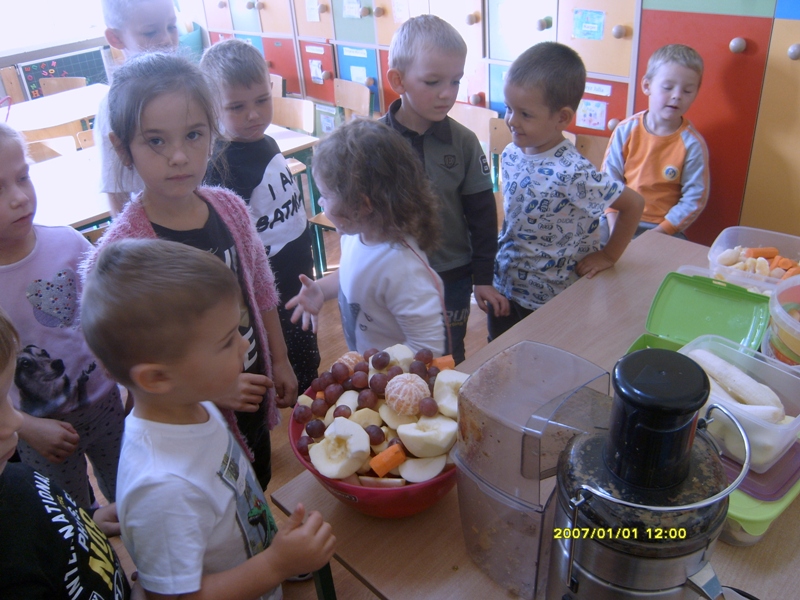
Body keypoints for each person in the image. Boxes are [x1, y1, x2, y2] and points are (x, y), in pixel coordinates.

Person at [81, 52, 298, 490]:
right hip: (190, 422)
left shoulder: (229, 208)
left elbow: (261, 290)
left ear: (212, 134)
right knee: (215, 497)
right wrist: (211, 391)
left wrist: (281, 358)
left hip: (251, 385)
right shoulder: (123, 252)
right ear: (123, 148)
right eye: (155, 141)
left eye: (194, 134)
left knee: (254, 485)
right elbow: (120, 360)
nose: (179, 156)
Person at [81, 239, 336, 600]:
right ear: (157, 378)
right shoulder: (162, 487)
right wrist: (275, 565)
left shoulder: (189, 402)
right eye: (226, 341)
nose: (245, 344)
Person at [0, 123, 124, 508]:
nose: (20, 197)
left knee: (129, 494)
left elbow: (108, 317)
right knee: (73, 514)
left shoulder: (67, 242)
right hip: (38, 429)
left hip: (105, 404)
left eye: (23, 177)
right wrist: (28, 427)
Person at [491, 42, 644, 339]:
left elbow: (634, 204)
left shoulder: (573, 172)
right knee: (500, 354)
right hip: (506, 286)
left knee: (547, 362)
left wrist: (609, 255)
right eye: (508, 108)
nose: (511, 120)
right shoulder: (511, 153)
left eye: (525, 114)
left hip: (554, 301)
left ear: (562, 117)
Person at [380, 14, 509, 363]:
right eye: (433, 81)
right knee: (396, 357)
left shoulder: (464, 142)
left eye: (455, 81)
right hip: (392, 273)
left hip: (452, 273)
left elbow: (482, 216)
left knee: (448, 355)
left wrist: (483, 278)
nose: (447, 93)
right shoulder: (374, 142)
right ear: (398, 80)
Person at [201, 39, 320, 393]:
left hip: (298, 270)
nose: (254, 115)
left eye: (262, 100)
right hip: (270, 285)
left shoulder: (265, 140)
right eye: (237, 107)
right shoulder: (220, 166)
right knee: (288, 363)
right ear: (211, 107)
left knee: (308, 355)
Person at [0, 307, 134, 600]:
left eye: (6, 399)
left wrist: (88, 522)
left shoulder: (16, 476)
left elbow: (51, 523)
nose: (14, 423)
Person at [286, 119, 446, 356]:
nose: (320, 202)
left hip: (392, 375)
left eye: (326, 196)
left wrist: (376, 369)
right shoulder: (356, 235)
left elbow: (429, 349)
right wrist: (321, 290)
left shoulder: (403, 270)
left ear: (362, 205)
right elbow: (352, 274)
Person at [602, 44, 708, 238]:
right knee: (587, 245)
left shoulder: (692, 144)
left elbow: (694, 198)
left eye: (687, 91)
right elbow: (609, 180)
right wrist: (614, 224)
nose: (677, 96)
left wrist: (658, 233)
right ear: (647, 86)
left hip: (662, 228)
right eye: (668, 87)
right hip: (618, 218)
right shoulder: (626, 130)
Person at [98, 0, 180, 216]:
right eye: (150, 32)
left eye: (172, 26)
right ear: (116, 38)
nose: (167, 39)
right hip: (154, 226)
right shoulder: (114, 106)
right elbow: (117, 193)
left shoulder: (190, 87)